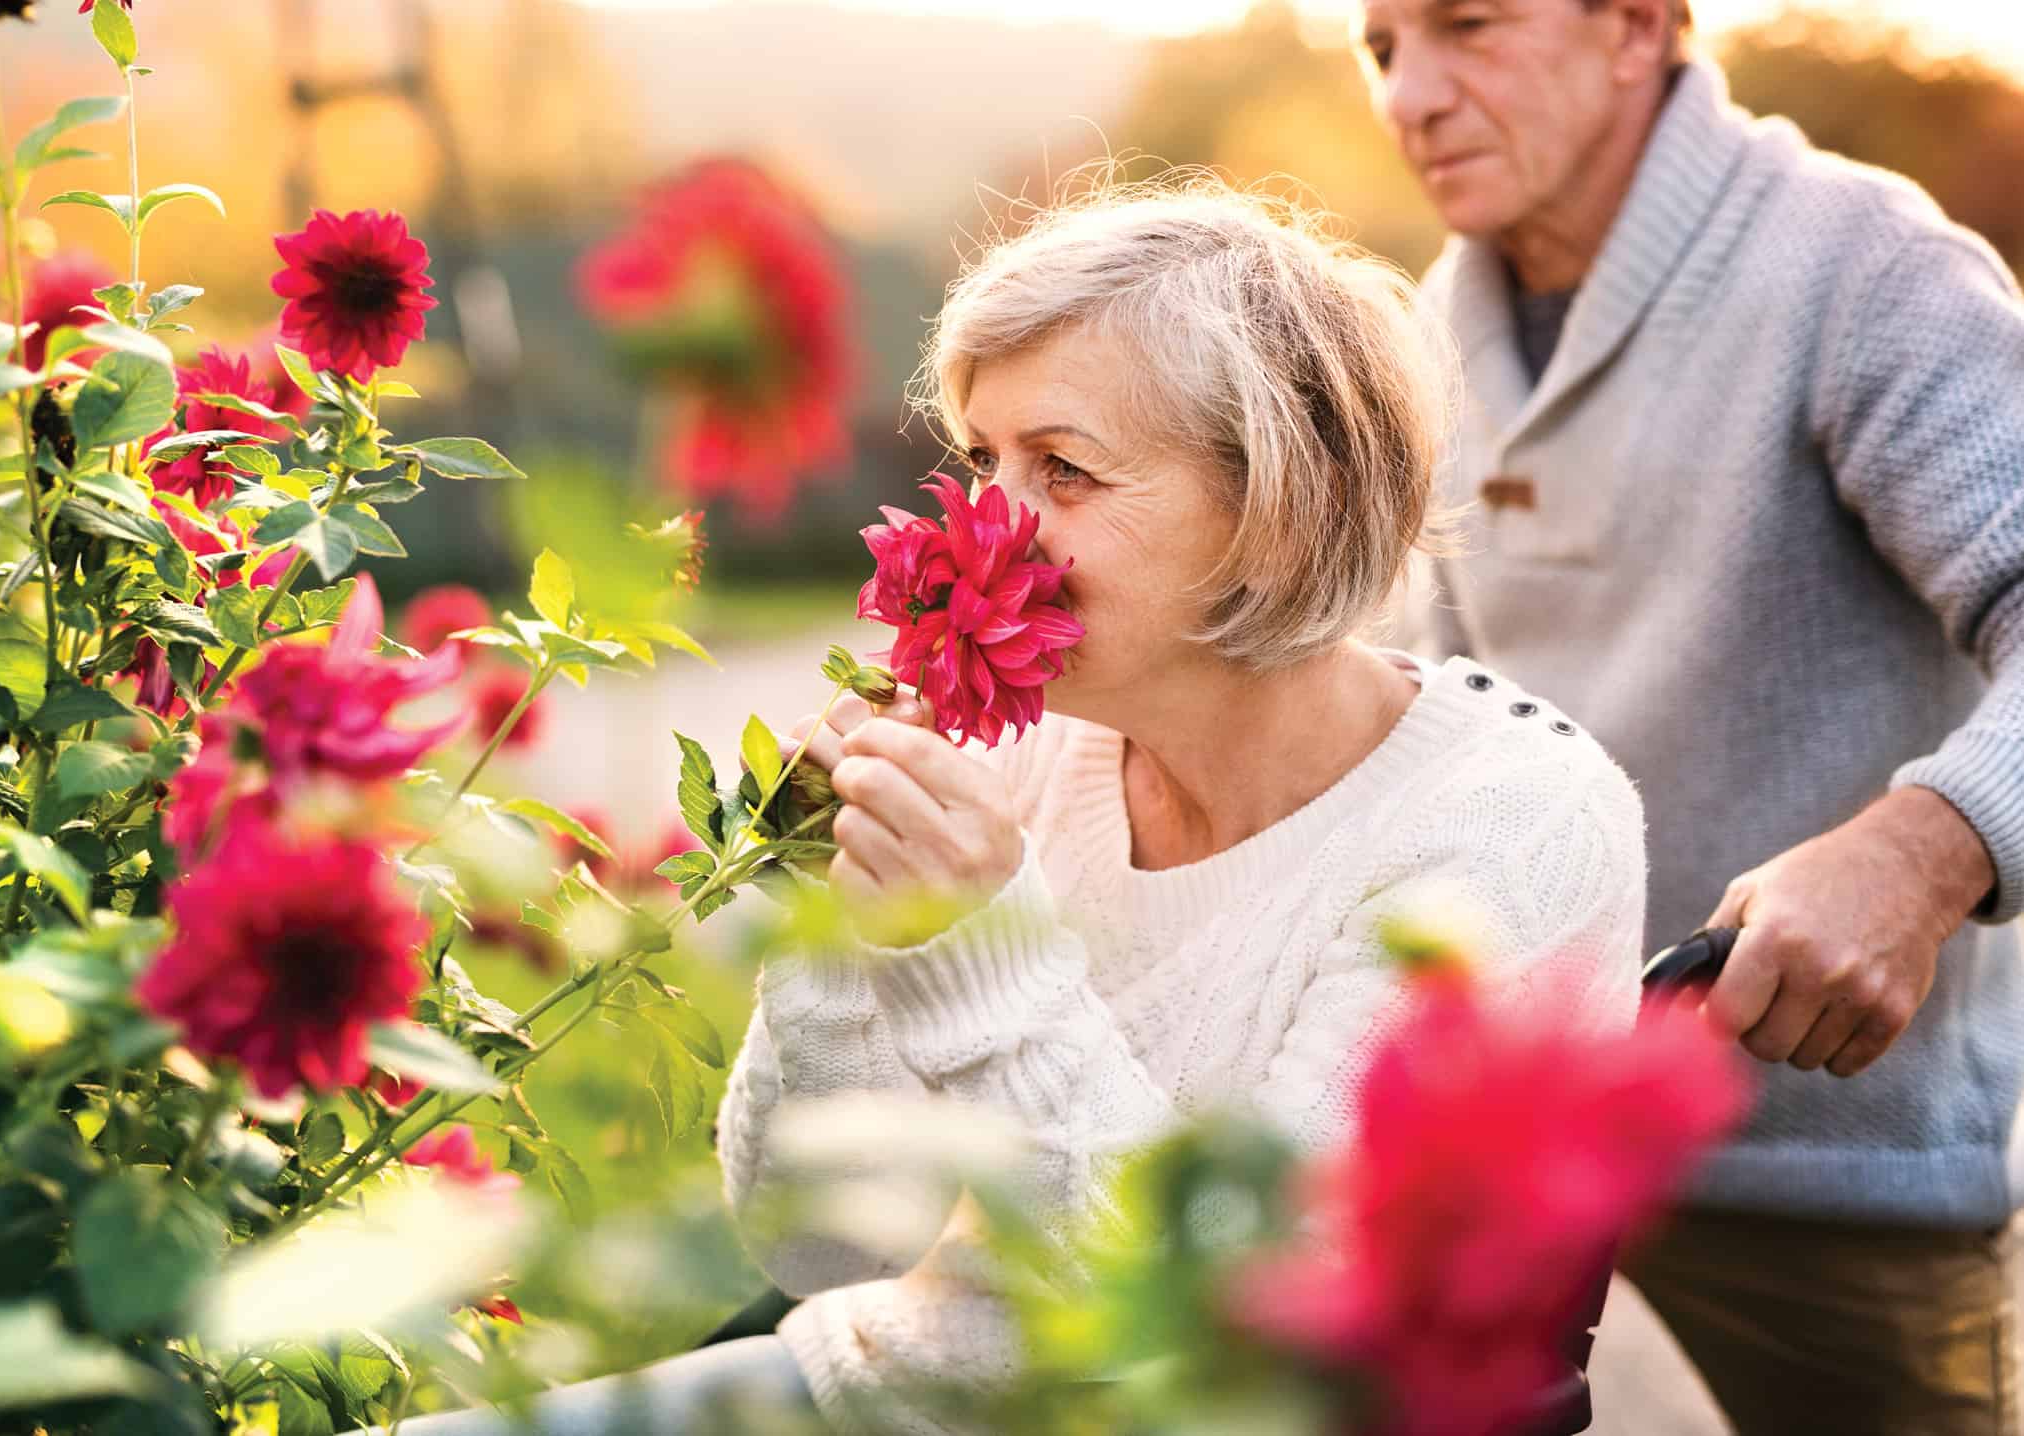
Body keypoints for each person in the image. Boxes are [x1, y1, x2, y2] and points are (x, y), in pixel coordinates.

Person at [363, 180, 1648, 1434]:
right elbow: (816, 1240)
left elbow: (1216, 1338)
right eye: (981, 459)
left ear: (1273, 511)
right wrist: (835, 920)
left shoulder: (1508, 832)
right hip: (884, 1390)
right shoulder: (1028, 753)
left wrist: (979, 947)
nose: (987, 525)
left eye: (1066, 472)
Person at [1357, 0, 2024, 1428]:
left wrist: (1917, 851)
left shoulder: (1860, 269)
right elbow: (1446, 729)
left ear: (1636, 28)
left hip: (1830, 1157)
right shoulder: (1428, 329)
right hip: (1529, 1139)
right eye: (1379, 49)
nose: (1409, 93)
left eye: (1463, 26)